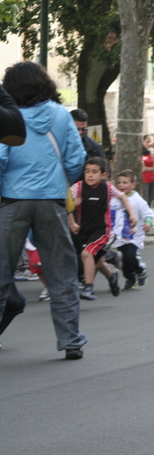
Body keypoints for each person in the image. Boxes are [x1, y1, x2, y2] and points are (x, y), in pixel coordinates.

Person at [0, 61, 87, 359]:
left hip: (12, 202)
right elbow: (77, 159)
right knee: (61, 274)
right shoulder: (62, 116)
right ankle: (71, 341)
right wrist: (59, 182)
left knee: (2, 273)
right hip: (51, 202)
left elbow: (0, 158)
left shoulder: (8, 118)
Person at [69, 157, 137, 300]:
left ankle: (89, 288)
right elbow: (67, 202)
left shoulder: (108, 188)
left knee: (86, 254)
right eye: (87, 171)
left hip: (102, 231)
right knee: (98, 262)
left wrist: (132, 215)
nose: (90, 175)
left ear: (103, 175)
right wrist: (72, 221)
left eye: (94, 172)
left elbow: (123, 198)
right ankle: (112, 276)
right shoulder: (79, 187)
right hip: (84, 232)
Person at [111, 170, 153, 290]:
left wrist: (148, 222)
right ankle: (130, 278)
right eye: (119, 182)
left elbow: (147, 212)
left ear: (133, 185)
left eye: (125, 182)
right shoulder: (114, 198)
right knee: (123, 261)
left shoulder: (137, 200)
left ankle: (140, 270)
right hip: (120, 236)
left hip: (135, 235)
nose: (121, 185)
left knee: (131, 256)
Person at [141, 135, 154, 206]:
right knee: (145, 200)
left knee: (151, 199)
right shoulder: (141, 154)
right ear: (143, 142)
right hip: (144, 180)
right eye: (147, 142)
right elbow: (143, 168)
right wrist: (152, 168)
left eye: (150, 142)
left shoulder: (152, 153)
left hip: (153, 179)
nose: (149, 144)